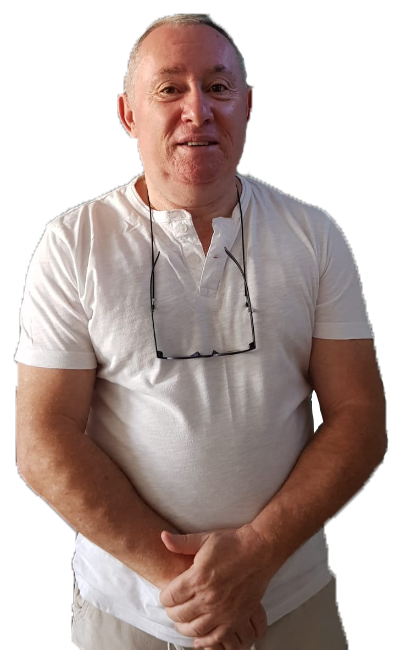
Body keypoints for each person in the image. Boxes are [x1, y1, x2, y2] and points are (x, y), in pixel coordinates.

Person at [15, 14, 385, 650]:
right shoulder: (73, 244)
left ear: (247, 106)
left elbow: (360, 416)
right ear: (130, 115)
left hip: (289, 595)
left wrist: (257, 555)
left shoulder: (313, 236)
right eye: (170, 89)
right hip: (129, 610)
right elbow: (43, 438)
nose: (198, 110)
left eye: (218, 87)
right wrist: (193, 588)